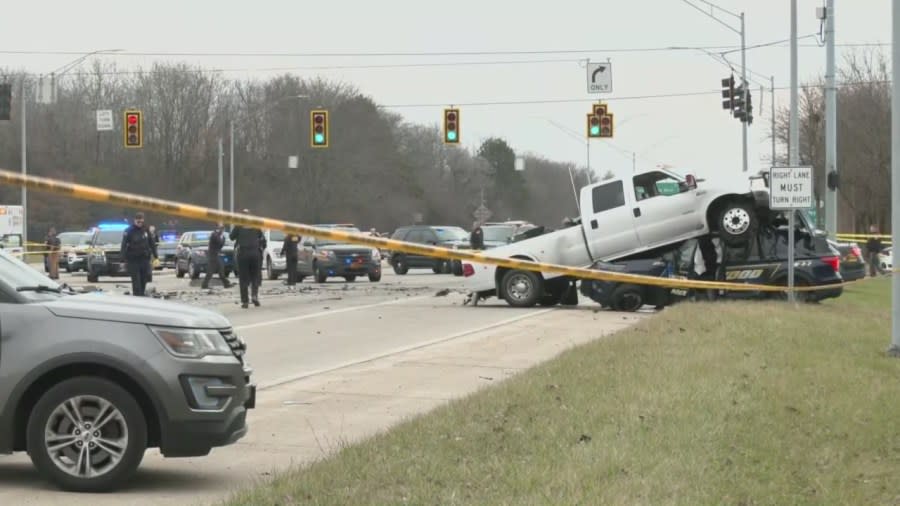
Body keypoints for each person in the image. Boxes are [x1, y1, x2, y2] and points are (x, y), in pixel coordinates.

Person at [230, 210, 266, 308]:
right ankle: (254, 295)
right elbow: (261, 237)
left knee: (243, 278)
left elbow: (231, 237)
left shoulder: (238, 225)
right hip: (255, 254)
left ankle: (245, 301)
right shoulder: (255, 225)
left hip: (243, 254)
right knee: (255, 276)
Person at [121, 212, 153, 296]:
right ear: (135, 221)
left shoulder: (146, 230)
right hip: (133, 259)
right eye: (138, 222)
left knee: (144, 279)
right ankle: (137, 295)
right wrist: (122, 259)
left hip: (144, 258)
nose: (140, 224)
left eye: (141, 222)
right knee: (136, 280)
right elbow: (124, 245)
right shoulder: (129, 231)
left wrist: (155, 256)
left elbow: (151, 243)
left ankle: (141, 294)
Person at [202, 224, 233, 289]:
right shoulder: (214, 234)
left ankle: (226, 284)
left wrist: (222, 238)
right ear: (219, 229)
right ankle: (205, 285)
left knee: (220, 270)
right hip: (213, 256)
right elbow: (218, 241)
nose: (222, 231)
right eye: (222, 229)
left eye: (223, 230)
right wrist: (222, 237)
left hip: (216, 255)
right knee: (212, 271)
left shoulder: (220, 236)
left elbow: (220, 245)